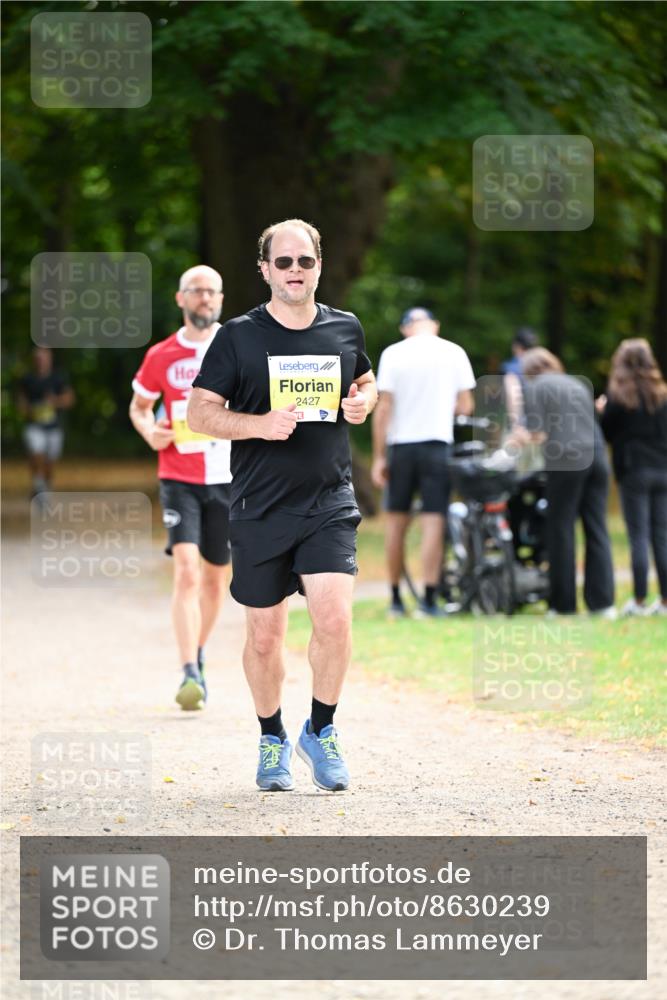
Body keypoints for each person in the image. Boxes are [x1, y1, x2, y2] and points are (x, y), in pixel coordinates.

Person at [187, 219, 376, 793]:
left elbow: (367, 381)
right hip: (258, 504)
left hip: (328, 499)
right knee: (266, 637)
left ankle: (320, 730)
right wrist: (259, 424)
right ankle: (272, 738)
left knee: (335, 619)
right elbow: (199, 413)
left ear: (320, 266)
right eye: (284, 262)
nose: (296, 271)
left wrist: (363, 401)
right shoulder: (238, 337)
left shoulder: (345, 328)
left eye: (306, 262)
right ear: (265, 269)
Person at [129, 265, 231, 710]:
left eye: (212, 292)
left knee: (214, 581)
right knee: (187, 570)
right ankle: (189, 670)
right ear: (181, 299)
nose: (205, 299)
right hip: (179, 476)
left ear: (221, 299)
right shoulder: (162, 355)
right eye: (196, 291)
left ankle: (199, 651)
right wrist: (149, 431)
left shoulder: (239, 346)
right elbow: (139, 407)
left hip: (230, 477)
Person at [371, 308, 475, 618]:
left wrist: (378, 457)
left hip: (401, 447)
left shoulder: (393, 353)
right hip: (436, 444)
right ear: (435, 325)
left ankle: (395, 599)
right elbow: (465, 405)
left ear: (406, 328)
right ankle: (429, 599)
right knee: (433, 521)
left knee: (395, 523)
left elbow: (383, 408)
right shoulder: (453, 352)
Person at [515, 347, 615, 617]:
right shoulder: (575, 382)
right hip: (597, 457)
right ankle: (603, 603)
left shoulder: (535, 386)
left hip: (567, 460)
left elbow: (536, 432)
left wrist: (518, 438)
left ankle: (563, 605)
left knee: (560, 529)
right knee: (597, 529)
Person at [596, 338, 667, 616]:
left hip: (634, 471)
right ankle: (664, 602)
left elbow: (607, 434)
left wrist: (602, 412)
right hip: (663, 468)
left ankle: (638, 601)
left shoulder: (618, 395)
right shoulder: (662, 393)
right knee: (662, 537)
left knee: (638, 536)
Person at [17, 346, 74, 496]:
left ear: (50, 359)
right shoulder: (27, 379)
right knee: (36, 453)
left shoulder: (58, 378)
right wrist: (29, 410)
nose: (41, 361)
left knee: (50, 463)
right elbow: (21, 402)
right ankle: (38, 484)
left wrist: (55, 401)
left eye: (43, 358)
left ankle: (44, 489)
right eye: (38, 358)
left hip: (53, 428)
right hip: (34, 426)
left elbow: (69, 399)